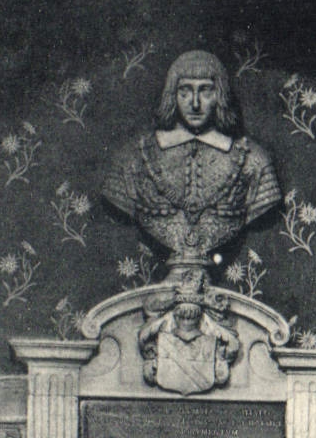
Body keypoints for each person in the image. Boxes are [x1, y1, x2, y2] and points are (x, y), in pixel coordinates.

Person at [102, 49, 281, 273]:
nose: (195, 104)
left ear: (220, 94)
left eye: (205, 91)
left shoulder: (254, 160)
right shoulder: (133, 158)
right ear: (172, 95)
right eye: (185, 91)